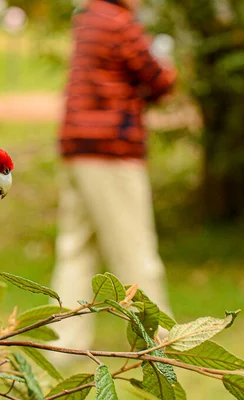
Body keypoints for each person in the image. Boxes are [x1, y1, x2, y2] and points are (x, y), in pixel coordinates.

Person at [51, 0, 177, 357]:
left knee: (76, 250)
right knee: (135, 251)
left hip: (77, 147)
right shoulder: (120, 22)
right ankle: (163, 344)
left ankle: (64, 349)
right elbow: (158, 79)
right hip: (111, 151)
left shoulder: (89, 16)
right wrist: (169, 64)